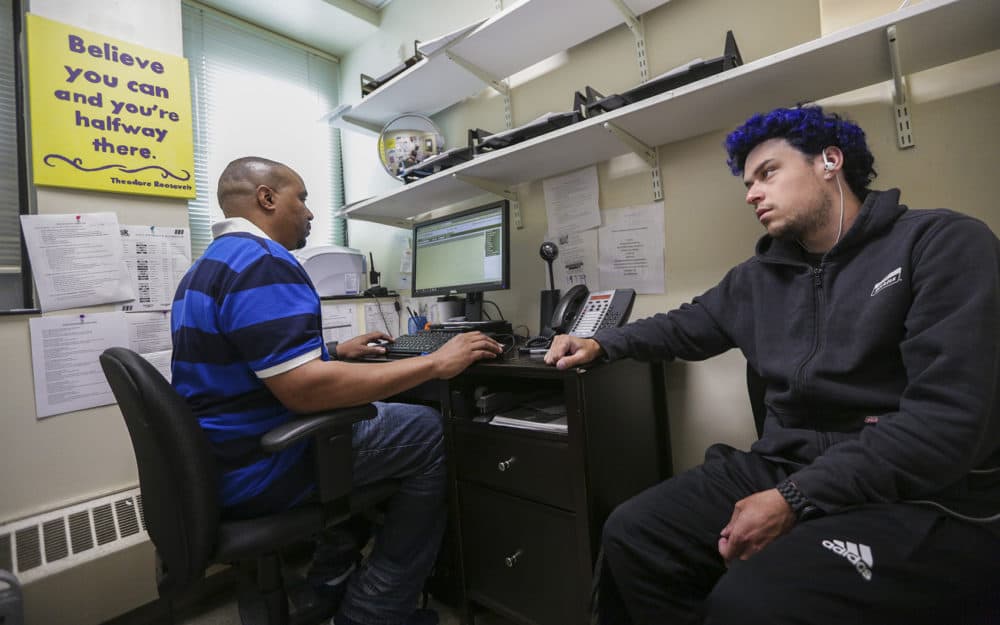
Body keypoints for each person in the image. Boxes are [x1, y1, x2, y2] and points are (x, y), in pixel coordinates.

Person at [544, 105, 1000, 624]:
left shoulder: (942, 243)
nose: (752, 193)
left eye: (768, 173)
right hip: (789, 464)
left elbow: (945, 425)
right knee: (633, 533)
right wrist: (605, 343)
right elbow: (683, 325)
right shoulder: (759, 277)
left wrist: (794, 498)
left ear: (830, 161)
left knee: (755, 600)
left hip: (919, 490)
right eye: (747, 183)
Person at [171, 156, 502, 625]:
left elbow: (247, 359)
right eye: (301, 198)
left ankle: (329, 579)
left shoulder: (205, 268)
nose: (309, 213)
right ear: (266, 199)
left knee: (380, 420)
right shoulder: (263, 262)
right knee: (429, 430)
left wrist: (332, 352)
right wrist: (434, 362)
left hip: (222, 462)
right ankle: (375, 611)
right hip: (266, 466)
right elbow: (304, 392)